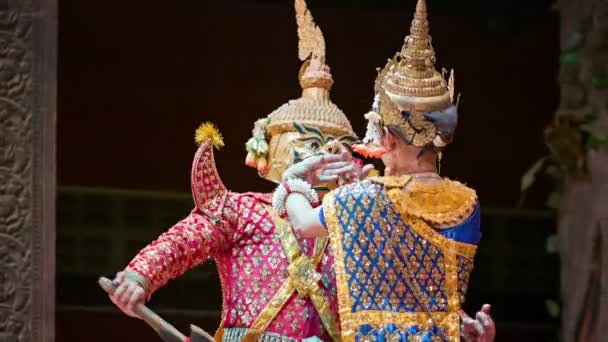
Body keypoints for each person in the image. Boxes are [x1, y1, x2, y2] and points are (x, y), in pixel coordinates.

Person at [108, 1, 368, 341]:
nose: (323, 159)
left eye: (335, 149)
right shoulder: (241, 211)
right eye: (312, 146)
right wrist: (138, 278)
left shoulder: (352, 222)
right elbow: (180, 244)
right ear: (277, 149)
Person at [271, 0, 496, 341]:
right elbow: (433, 298)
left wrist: (295, 180)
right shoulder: (467, 205)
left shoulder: (359, 200)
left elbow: (302, 222)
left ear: (388, 136)